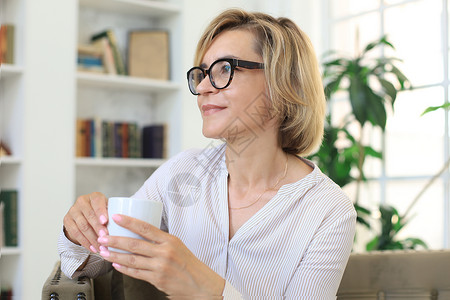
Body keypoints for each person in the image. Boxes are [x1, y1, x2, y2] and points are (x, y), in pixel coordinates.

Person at [59, 8, 356, 299]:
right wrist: (80, 229)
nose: (202, 87)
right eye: (201, 74)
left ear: (282, 84)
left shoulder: (328, 211)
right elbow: (95, 260)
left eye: (225, 69)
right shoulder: (181, 172)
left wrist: (208, 289)